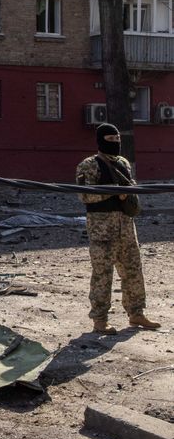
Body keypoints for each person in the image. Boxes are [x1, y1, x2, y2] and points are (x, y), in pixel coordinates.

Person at [76, 123, 161, 335]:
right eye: (110, 140)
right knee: (102, 275)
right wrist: (113, 193)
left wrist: (129, 197)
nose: (115, 143)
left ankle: (136, 313)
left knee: (133, 272)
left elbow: (131, 188)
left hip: (126, 228)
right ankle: (100, 319)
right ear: (100, 140)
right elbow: (84, 195)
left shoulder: (123, 163)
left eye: (117, 139)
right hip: (102, 230)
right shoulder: (88, 165)